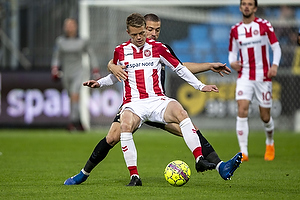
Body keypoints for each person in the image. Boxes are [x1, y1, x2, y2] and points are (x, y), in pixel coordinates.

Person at [64, 13, 241, 186]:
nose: (152, 34)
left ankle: (219, 166)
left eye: (157, 30)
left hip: (157, 103)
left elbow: (180, 67)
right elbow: (117, 64)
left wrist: (208, 67)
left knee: (191, 128)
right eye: (149, 29)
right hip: (134, 103)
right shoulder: (124, 49)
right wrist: (109, 70)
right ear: (137, 29)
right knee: (111, 138)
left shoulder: (160, 48)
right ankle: (84, 174)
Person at [228, 0, 282, 162]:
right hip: (244, 75)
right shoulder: (235, 30)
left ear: (255, 7)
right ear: (240, 7)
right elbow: (232, 53)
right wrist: (232, 62)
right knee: (242, 109)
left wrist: (274, 65)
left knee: (265, 116)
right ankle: (243, 152)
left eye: (250, 4)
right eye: (244, 3)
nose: (246, 6)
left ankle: (270, 142)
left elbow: (276, 47)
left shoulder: (264, 25)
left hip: (263, 76)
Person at [51, 18, 101, 131]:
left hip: (79, 72)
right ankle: (79, 123)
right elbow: (56, 56)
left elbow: (91, 54)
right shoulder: (60, 41)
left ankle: (72, 122)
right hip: (66, 72)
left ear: (76, 26)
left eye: (71, 25)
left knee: (74, 95)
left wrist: (95, 69)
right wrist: (54, 69)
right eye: (67, 25)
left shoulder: (82, 41)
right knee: (72, 98)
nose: (69, 27)